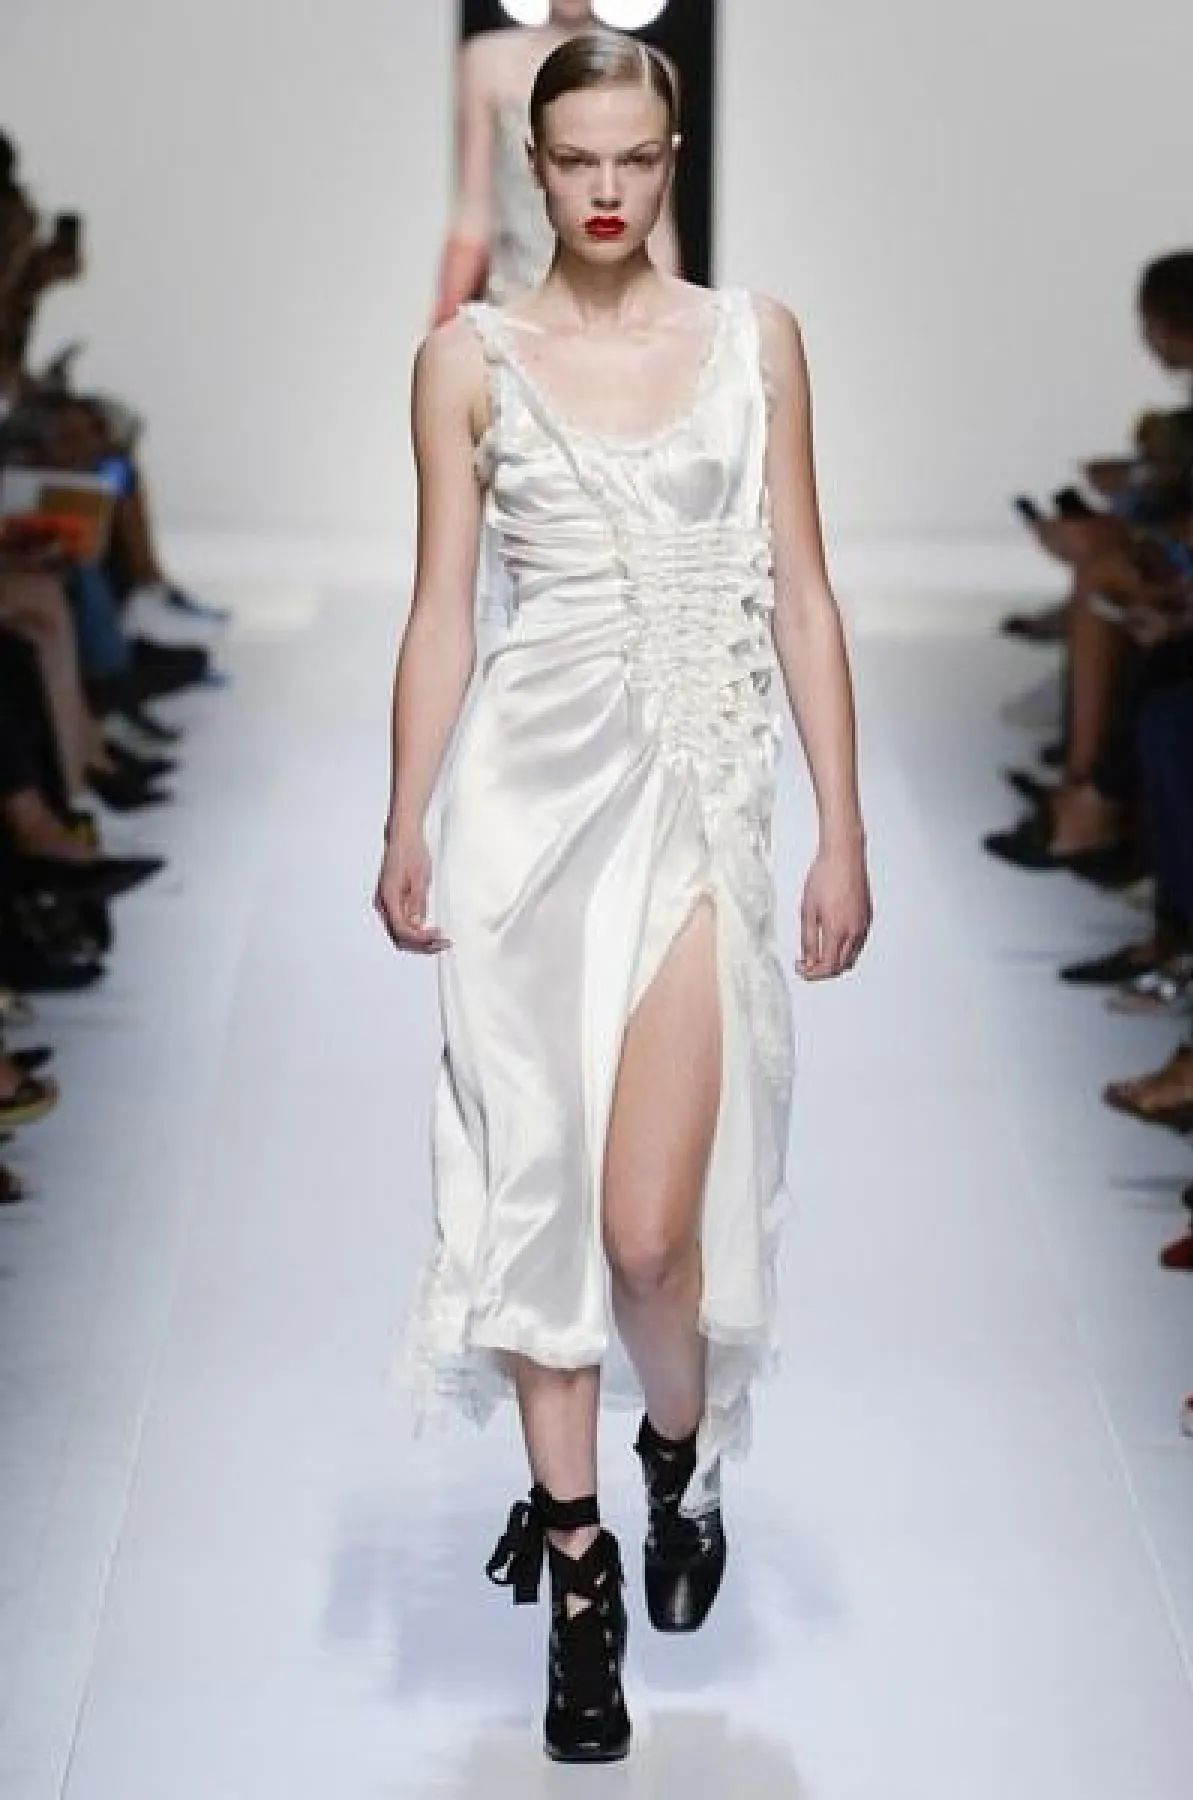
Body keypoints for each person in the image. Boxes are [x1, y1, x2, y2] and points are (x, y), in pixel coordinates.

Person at [376, 32, 871, 1765]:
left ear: (673, 156)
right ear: (535, 165)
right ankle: (578, 1583)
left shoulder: (756, 341)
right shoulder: (465, 362)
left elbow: (803, 595)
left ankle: (678, 1448)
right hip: (522, 819)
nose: (605, 190)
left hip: (696, 818)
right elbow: (442, 607)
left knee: (653, 1236)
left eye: (635, 158)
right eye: (576, 159)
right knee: (534, 1200)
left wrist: (842, 831)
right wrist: (404, 814)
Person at [432, 1, 680, 322]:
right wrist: (445, 318)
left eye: (636, 160)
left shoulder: (647, 69)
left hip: (621, 307)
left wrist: (673, 320)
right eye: (572, 160)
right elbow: (473, 211)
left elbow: (658, 224)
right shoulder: (487, 63)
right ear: (533, 158)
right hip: (513, 298)